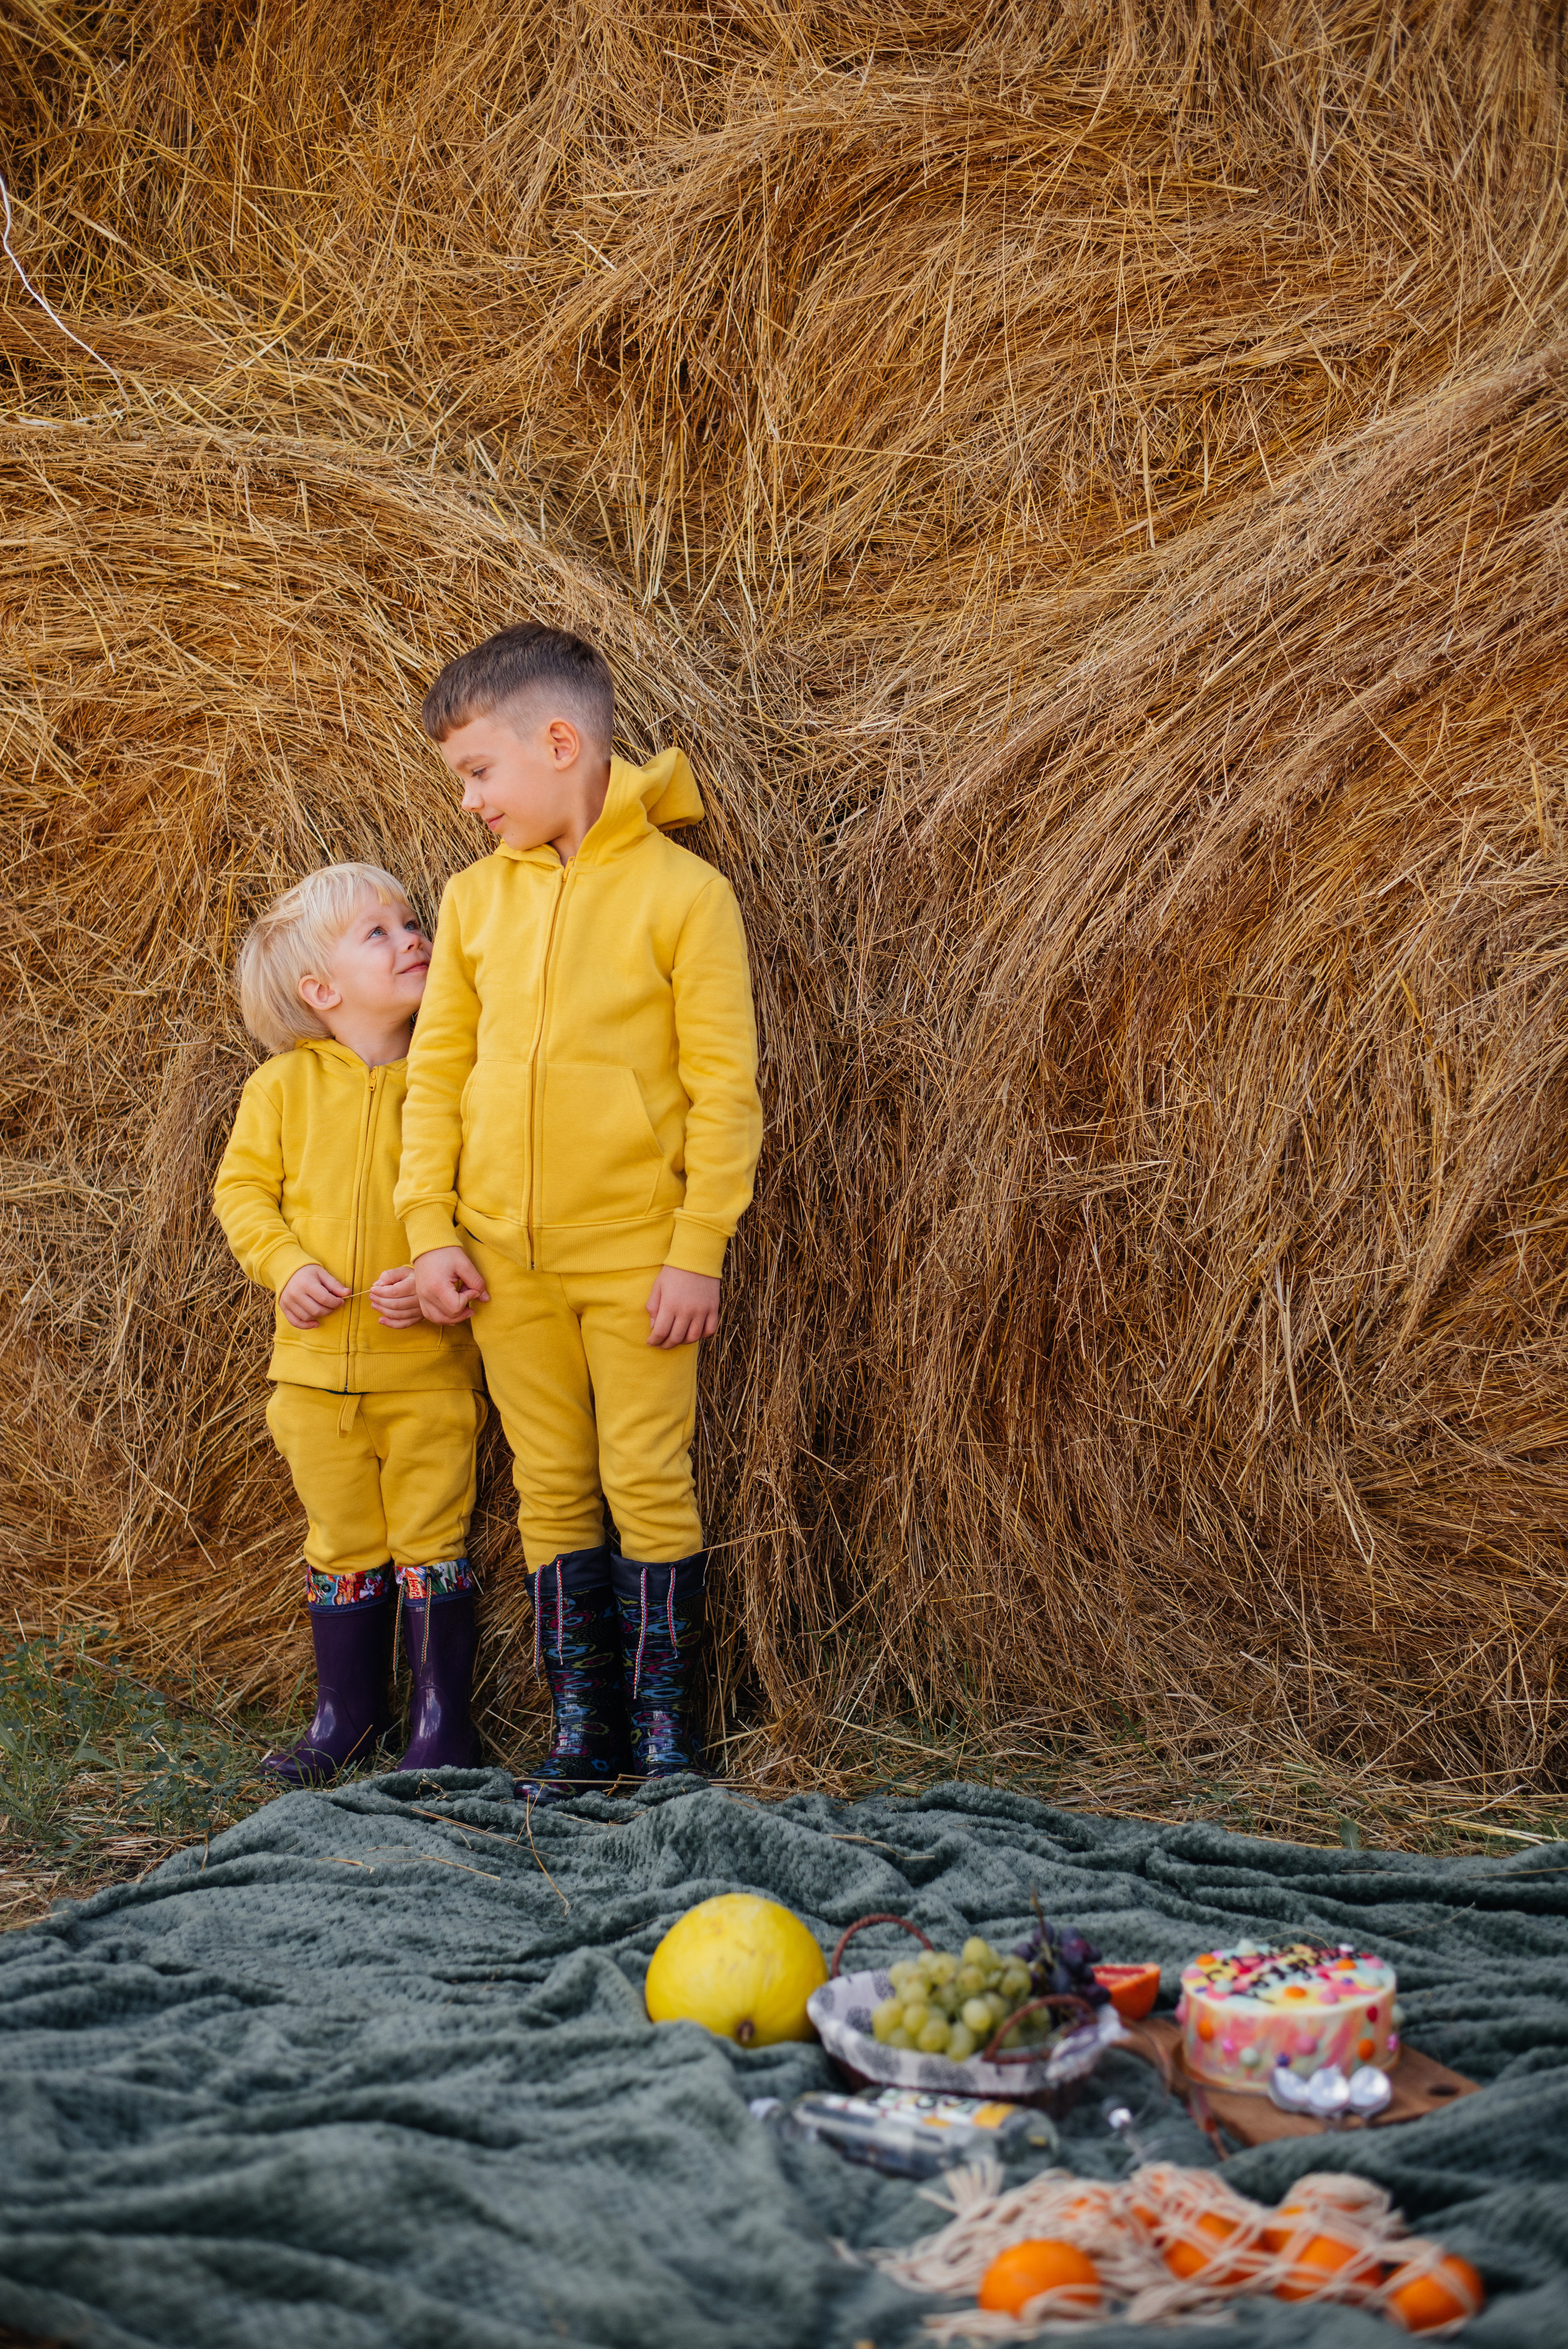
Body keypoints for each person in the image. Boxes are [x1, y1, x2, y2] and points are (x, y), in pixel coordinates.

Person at [395, 624, 761, 1793]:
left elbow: (724, 1091)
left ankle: (664, 1728)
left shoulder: (684, 897)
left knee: (649, 1475)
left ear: (560, 743)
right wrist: (432, 1231)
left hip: (639, 1261)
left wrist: (697, 1249)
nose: (469, 800)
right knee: (549, 1482)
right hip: (505, 1265)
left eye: (478, 771)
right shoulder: (470, 904)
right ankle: (581, 1726)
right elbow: (436, 1076)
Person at [214, 864, 487, 1785]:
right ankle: (347, 1716)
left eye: (413, 922)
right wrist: (286, 1267)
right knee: (340, 1542)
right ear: (320, 990)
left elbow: (484, 1196)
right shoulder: (282, 1090)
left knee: (433, 1538)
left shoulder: (448, 1082)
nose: (412, 936)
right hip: (313, 1381)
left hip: (428, 1373)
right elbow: (243, 1193)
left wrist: (437, 1268)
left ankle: (443, 1723)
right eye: (379, 932)